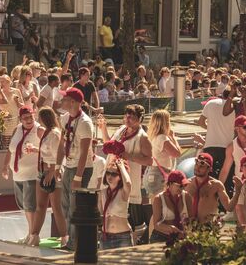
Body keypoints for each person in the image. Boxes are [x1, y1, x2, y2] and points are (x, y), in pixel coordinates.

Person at [98, 104, 153, 244]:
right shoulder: (122, 129)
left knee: (131, 218)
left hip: (128, 179)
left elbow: (149, 160)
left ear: (140, 119)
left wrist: (129, 156)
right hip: (111, 176)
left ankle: (131, 244)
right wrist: (103, 128)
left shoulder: (142, 137)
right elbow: (108, 144)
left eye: (132, 116)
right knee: (110, 210)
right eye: (127, 115)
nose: (128, 118)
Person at [56, 88, 94, 249]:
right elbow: (62, 142)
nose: (61, 101)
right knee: (65, 204)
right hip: (69, 165)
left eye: (65, 99)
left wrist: (78, 177)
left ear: (73, 102)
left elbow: (85, 152)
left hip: (82, 168)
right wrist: (58, 165)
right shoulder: (65, 118)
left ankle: (75, 244)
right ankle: (72, 240)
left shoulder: (85, 122)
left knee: (74, 207)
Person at [1, 106, 43, 244]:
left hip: (32, 174)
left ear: (34, 116)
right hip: (17, 174)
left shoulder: (39, 130)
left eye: (30, 117)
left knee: (30, 205)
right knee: (24, 206)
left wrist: (36, 150)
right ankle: (30, 233)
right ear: (20, 119)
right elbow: (10, 150)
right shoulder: (17, 129)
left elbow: (50, 149)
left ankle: (33, 234)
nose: (28, 120)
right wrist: (5, 166)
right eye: (25, 118)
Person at [27, 107, 68, 247]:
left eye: (40, 117)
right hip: (42, 172)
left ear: (44, 118)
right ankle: (34, 235)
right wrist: (35, 150)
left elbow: (59, 154)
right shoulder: (47, 132)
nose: (38, 120)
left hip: (52, 172)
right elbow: (48, 152)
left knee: (56, 207)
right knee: (40, 205)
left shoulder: (55, 134)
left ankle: (64, 237)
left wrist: (52, 172)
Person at [186, 153, 242, 223]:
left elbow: (229, 207)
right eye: (196, 164)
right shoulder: (187, 184)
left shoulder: (216, 185)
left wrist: (237, 191)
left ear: (209, 169)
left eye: (202, 166)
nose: (198, 168)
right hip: (189, 226)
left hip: (207, 227)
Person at [197, 89, 235, 182]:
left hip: (210, 146)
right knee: (227, 180)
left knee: (208, 180)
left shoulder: (210, 104)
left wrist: (211, 129)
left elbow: (200, 122)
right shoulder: (235, 106)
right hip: (227, 148)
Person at [144, 110, 181, 197]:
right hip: (161, 175)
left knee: (155, 204)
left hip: (152, 172)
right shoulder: (162, 138)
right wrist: (173, 137)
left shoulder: (151, 137)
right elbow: (177, 153)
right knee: (163, 204)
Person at [99, 156, 133, 249]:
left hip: (122, 236)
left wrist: (121, 167)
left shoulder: (123, 191)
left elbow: (128, 183)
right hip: (105, 236)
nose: (110, 176)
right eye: (108, 173)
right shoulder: (103, 192)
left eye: (114, 174)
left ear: (120, 177)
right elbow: (101, 213)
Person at [150, 171, 192, 243]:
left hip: (182, 236)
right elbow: (156, 225)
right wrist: (170, 228)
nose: (182, 188)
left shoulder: (186, 197)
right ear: (170, 184)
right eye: (179, 185)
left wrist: (187, 231)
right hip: (161, 236)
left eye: (184, 185)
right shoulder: (159, 199)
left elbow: (191, 218)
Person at [0, 75, 24, 147]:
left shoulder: (16, 91)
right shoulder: (0, 92)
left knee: (15, 139)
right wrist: (4, 114)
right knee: (5, 140)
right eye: (1, 82)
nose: (2, 83)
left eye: (4, 81)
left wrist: (17, 102)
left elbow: (22, 105)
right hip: (5, 119)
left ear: (9, 81)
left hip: (15, 118)